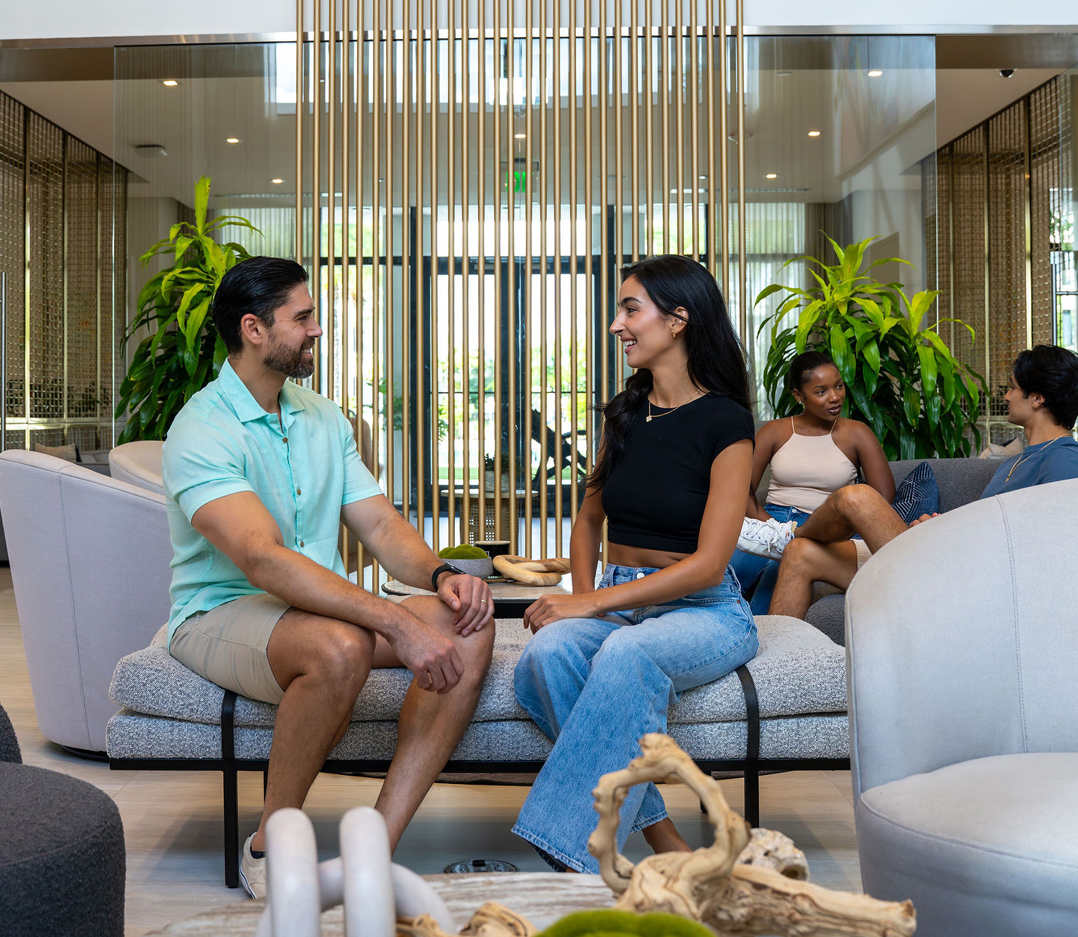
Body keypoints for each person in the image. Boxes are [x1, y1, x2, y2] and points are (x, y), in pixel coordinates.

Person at [161, 256, 495, 899]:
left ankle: (374, 847)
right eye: (303, 317)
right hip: (220, 611)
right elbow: (262, 560)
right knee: (339, 647)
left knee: (469, 624)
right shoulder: (201, 429)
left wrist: (441, 575)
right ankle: (268, 842)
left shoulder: (321, 416)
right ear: (254, 329)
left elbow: (381, 526)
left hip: (318, 607)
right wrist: (395, 621)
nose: (317, 329)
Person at [510, 255, 757, 874]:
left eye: (630, 309)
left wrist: (589, 602)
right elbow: (588, 520)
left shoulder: (726, 421)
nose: (616, 324)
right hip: (622, 599)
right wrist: (584, 600)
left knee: (625, 653)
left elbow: (709, 565)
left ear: (677, 320)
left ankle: (569, 852)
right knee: (547, 653)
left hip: (704, 609)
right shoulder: (625, 412)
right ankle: (664, 839)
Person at [768, 343, 1078, 621]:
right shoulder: (1015, 462)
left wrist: (949, 537)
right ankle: (776, 670)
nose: (1006, 396)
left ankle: (783, 534)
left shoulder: (1065, 458)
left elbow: (1049, 544)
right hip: (947, 562)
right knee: (800, 554)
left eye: (1012, 388)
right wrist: (940, 527)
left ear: (1036, 399)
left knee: (855, 497)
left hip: (966, 581)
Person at [728, 347, 895, 610]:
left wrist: (840, 530)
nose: (835, 397)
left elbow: (882, 497)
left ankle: (762, 633)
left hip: (823, 526)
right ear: (799, 395)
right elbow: (742, 490)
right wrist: (773, 529)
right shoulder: (775, 431)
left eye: (838, 386)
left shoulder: (857, 433)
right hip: (769, 521)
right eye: (821, 391)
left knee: (768, 593)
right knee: (726, 581)